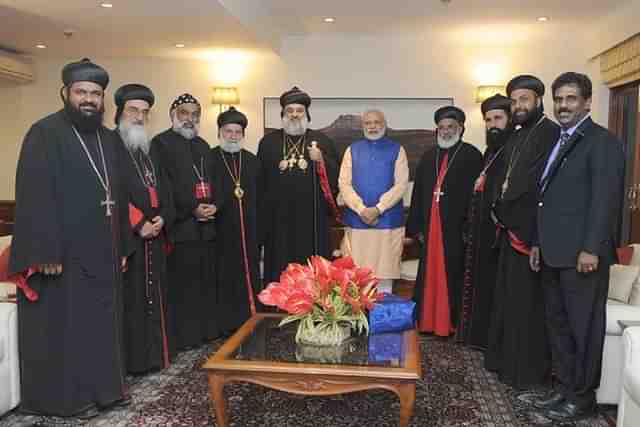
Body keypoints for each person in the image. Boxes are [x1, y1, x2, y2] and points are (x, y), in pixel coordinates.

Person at [9, 58, 132, 418]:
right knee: (69, 329)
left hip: (103, 252)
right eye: (81, 92)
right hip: (61, 253)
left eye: (96, 93)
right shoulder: (44, 132)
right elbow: (33, 194)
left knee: (102, 326)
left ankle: (106, 390)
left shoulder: (110, 139)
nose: (89, 99)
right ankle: (66, 399)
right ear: (65, 93)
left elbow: (119, 197)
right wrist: (43, 249)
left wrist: (123, 245)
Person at [531, 72, 624, 421]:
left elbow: (605, 201)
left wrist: (591, 249)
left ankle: (582, 399)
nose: (563, 105)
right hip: (555, 253)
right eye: (559, 99)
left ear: (587, 102)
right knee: (559, 327)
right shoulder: (561, 139)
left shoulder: (602, 141)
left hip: (582, 257)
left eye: (570, 99)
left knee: (584, 331)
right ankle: (565, 390)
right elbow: (546, 200)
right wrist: (539, 243)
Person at [485, 74, 559, 389]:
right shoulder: (516, 134)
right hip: (509, 229)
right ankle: (504, 363)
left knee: (527, 308)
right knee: (506, 301)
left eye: (524, 99)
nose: (518, 106)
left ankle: (526, 374)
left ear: (539, 100)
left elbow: (542, 188)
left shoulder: (551, 134)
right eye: (514, 100)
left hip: (529, 234)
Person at [114, 84, 175, 373]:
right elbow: (110, 194)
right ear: (120, 112)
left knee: (154, 297)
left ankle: (153, 358)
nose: (139, 117)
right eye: (133, 110)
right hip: (128, 239)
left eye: (144, 112)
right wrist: (138, 224)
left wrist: (163, 217)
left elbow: (164, 189)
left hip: (154, 234)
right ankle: (134, 362)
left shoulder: (149, 150)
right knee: (132, 301)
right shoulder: (110, 147)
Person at [407, 106, 483, 336]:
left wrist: (469, 226)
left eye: (451, 127)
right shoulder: (429, 155)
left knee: (453, 273)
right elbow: (418, 193)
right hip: (430, 226)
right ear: (436, 129)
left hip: (455, 228)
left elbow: (476, 196)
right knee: (428, 272)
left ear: (460, 128)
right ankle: (427, 321)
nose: (446, 131)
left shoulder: (471, 155)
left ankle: (449, 323)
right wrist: (416, 226)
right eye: (442, 127)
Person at [151, 93, 219, 350]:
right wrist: (192, 210)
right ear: (173, 115)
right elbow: (164, 188)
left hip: (206, 229)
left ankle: (205, 333)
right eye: (184, 114)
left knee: (204, 283)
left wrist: (212, 205)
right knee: (183, 287)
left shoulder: (202, 145)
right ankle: (185, 338)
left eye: (195, 115)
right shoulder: (160, 144)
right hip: (181, 229)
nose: (190, 119)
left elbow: (210, 181)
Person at [257, 86, 339, 283]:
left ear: (306, 113)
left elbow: (337, 176)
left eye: (299, 110)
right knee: (280, 263)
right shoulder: (268, 142)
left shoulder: (321, 141)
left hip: (312, 218)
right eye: (290, 111)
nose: (295, 115)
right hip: (278, 219)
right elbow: (259, 180)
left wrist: (321, 160)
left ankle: (314, 306)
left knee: (311, 267)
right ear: (283, 114)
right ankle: (277, 307)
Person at [457, 94, 513, 349]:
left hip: (500, 233)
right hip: (481, 232)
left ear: (509, 119)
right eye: (488, 119)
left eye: (498, 118)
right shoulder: (490, 151)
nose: (493, 124)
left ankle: (490, 342)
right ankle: (477, 338)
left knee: (494, 291)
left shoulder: (513, 148)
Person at [339, 109, 408, 294]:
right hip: (357, 222)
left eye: (376, 122)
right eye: (368, 123)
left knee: (384, 278)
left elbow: (401, 185)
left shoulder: (397, 149)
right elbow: (344, 184)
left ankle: (383, 320)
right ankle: (357, 321)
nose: (372, 126)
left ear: (384, 124)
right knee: (355, 278)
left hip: (387, 223)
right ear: (363, 126)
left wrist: (378, 209)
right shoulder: (352, 150)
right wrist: (362, 209)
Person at [209, 107, 262, 334]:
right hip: (219, 230)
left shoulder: (251, 161)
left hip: (248, 231)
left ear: (243, 134)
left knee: (248, 273)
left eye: (237, 132)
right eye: (228, 131)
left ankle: (248, 320)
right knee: (221, 276)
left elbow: (262, 196)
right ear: (220, 132)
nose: (232, 136)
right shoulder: (209, 158)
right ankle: (223, 324)